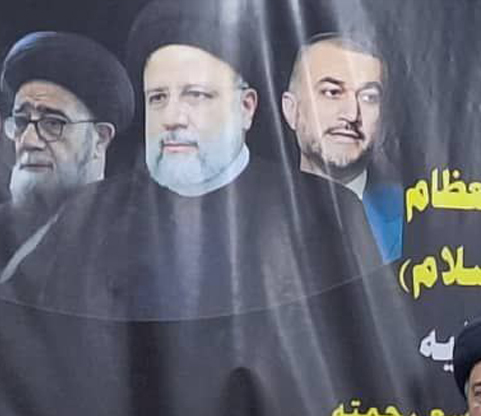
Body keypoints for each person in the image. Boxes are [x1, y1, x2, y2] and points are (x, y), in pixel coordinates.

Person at [0, 0, 381, 319]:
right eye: (158, 98)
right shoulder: (89, 213)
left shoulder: (326, 212)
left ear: (246, 108)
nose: (172, 117)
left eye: (196, 95)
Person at [0, 31, 133, 262]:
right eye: (21, 122)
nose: (28, 141)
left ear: (100, 139)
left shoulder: (133, 238)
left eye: (53, 123)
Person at [282, 32, 403, 263]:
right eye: (332, 92)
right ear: (291, 110)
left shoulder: (415, 218)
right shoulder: (245, 215)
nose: (351, 114)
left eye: (368, 97)